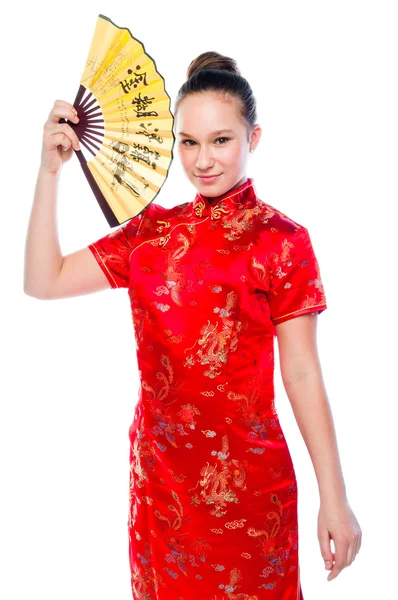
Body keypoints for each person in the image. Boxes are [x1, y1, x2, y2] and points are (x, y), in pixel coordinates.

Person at [24, 51, 362, 599]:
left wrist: (335, 496)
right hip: (161, 486)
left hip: (251, 492)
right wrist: (49, 171)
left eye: (221, 140)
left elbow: (300, 372)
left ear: (254, 137)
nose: (203, 160)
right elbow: (44, 280)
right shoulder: (151, 234)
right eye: (189, 142)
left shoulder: (282, 241)